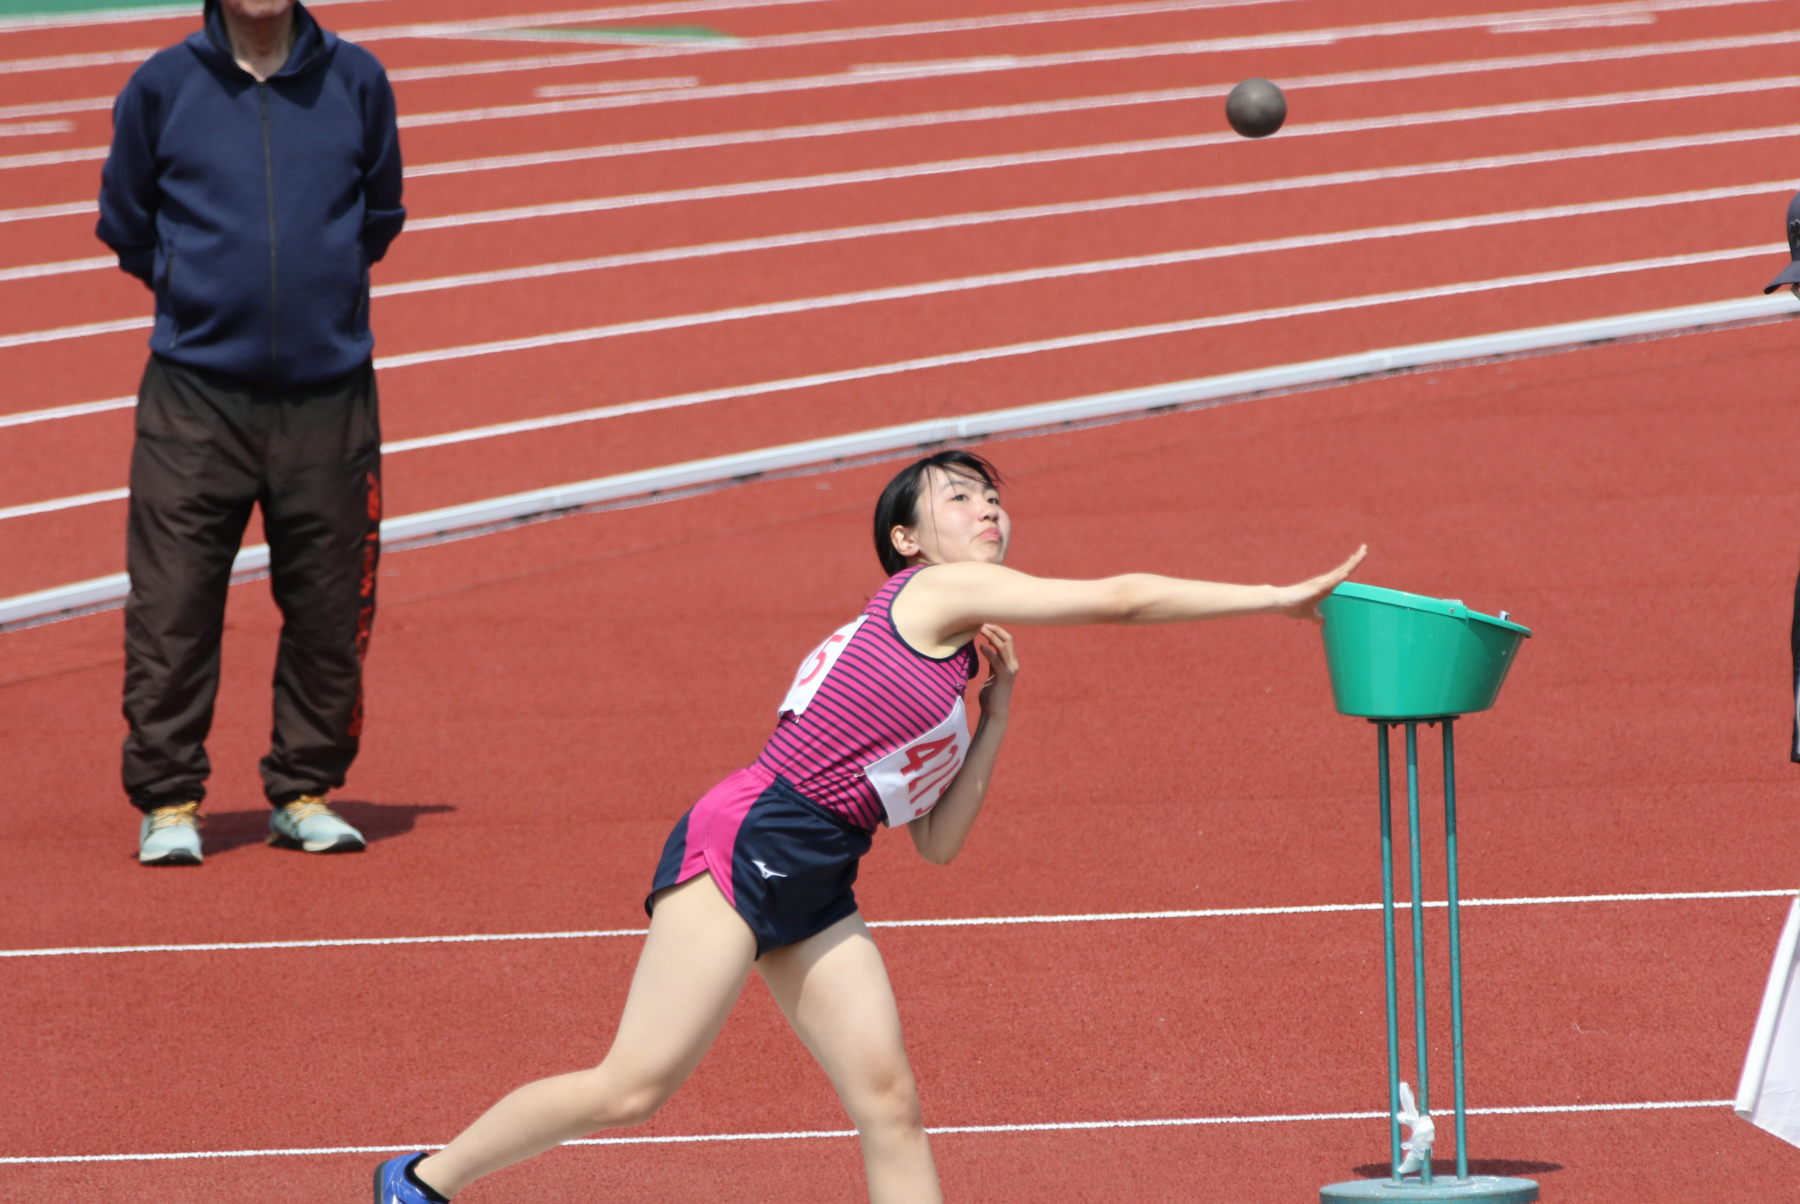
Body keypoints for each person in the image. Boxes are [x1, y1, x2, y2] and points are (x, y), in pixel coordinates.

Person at [372, 449, 1365, 1203]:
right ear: (909, 540)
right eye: (959, 495)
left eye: (993, 495)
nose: (989, 508)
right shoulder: (932, 595)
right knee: (634, 1087)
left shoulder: (956, 668)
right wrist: (1273, 598)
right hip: (748, 839)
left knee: (888, 1101)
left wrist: (999, 718)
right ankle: (422, 1180)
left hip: (818, 872)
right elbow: (1119, 600)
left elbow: (935, 844)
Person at [95, 0, 404, 865]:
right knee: (172, 606)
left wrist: (321, 298)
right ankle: (169, 800)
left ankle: (304, 790)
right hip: (195, 398)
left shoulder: (358, 81)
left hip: (330, 397)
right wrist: (196, 291)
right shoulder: (162, 87)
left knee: (328, 606)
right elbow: (126, 219)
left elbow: (379, 214)